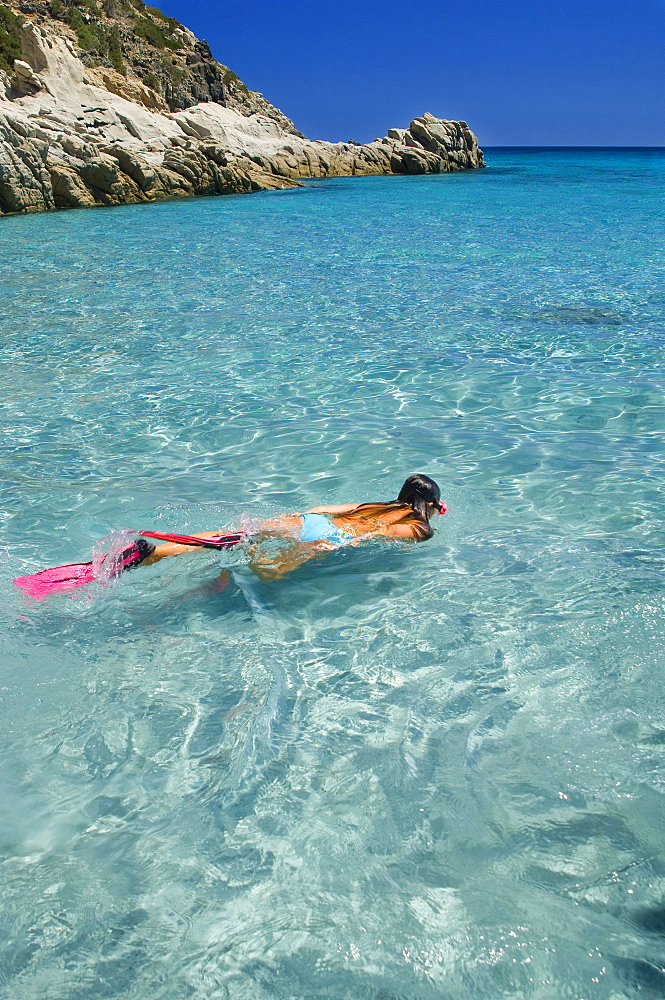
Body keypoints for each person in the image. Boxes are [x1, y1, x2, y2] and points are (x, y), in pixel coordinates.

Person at [140, 474, 447, 581]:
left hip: (315, 522)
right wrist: (336, 545)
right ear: (431, 506)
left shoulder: (376, 505)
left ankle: (155, 551)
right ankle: (242, 566)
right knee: (269, 574)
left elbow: (321, 509)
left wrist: (297, 521)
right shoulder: (419, 529)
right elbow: (374, 535)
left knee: (242, 534)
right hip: (332, 536)